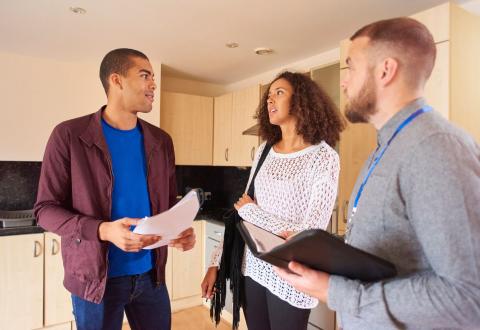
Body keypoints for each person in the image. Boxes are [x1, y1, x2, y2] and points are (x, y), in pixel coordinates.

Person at [276, 17, 480, 329]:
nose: (344, 83)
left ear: (385, 70)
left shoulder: (436, 148)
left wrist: (338, 292)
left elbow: (468, 298)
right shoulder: (385, 147)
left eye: (351, 68)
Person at [34, 48, 196, 330]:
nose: (153, 84)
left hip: (150, 276)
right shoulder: (69, 135)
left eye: (153, 77)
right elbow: (44, 210)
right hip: (95, 280)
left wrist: (178, 230)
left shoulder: (161, 141)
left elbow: (167, 205)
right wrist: (103, 230)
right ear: (116, 80)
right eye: (145, 75)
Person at [201, 71, 345, 330]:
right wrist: (215, 262)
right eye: (268, 96)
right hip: (253, 266)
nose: (270, 101)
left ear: (301, 100)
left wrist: (254, 214)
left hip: (291, 273)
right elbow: (239, 215)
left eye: (279, 93)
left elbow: (310, 233)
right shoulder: (264, 150)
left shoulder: (323, 157)